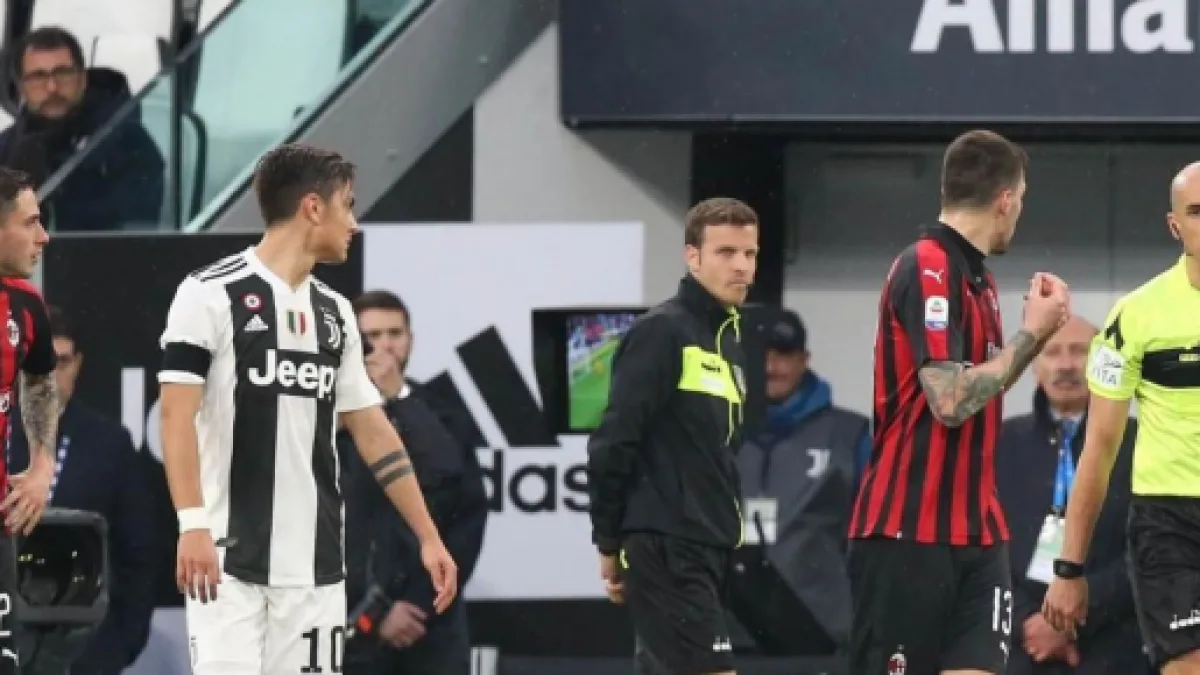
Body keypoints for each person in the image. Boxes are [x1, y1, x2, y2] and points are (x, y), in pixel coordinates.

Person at [157, 144, 457, 675]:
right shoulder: (207, 294)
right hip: (228, 562)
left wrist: (428, 536)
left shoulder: (335, 313)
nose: (354, 223)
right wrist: (192, 523)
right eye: (348, 205)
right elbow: (175, 415)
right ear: (313, 208)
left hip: (316, 569)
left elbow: (373, 431)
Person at [847, 129, 1071, 675]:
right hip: (908, 529)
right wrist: (1032, 337)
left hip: (977, 531)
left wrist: (1032, 338)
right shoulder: (927, 265)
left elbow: (980, 392)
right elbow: (949, 400)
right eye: (1022, 200)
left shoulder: (981, 282)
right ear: (1006, 200)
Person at [587, 196, 758, 675]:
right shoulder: (662, 332)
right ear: (692, 256)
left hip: (709, 544)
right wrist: (608, 542)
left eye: (750, 253)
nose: (742, 266)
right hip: (669, 544)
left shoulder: (730, 343)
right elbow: (613, 442)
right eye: (726, 252)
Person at [1042, 161, 1200, 675]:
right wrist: (1069, 569)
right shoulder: (1134, 317)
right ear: (1174, 225)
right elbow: (1100, 447)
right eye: (1197, 212)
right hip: (1169, 523)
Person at [341, 289, 487, 675]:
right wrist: (375, 609)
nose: (385, 346)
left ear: (411, 339)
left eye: (395, 333)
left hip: (432, 622)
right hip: (351, 625)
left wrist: (421, 603)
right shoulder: (331, 416)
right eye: (372, 336)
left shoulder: (443, 412)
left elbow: (466, 511)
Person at [8, 306, 155, 675]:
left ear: (78, 364)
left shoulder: (109, 444)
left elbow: (138, 552)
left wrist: (121, 645)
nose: (50, 376)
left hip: (87, 645)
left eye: (61, 362)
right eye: (39, 363)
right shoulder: (2, 435)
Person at [995, 316, 1143, 675]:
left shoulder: (1140, 442)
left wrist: (1074, 614)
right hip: (1018, 647)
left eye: (1079, 352)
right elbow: (982, 547)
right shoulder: (1000, 443)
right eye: (1052, 353)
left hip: (1113, 645)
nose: (1065, 365)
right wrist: (1028, 622)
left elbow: (1148, 549)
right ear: (1034, 367)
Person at [732, 307, 869, 654]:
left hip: (824, 634)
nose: (770, 367)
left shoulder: (850, 436)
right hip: (731, 633)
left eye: (782, 354)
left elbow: (878, 543)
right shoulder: (717, 436)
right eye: (760, 356)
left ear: (804, 359)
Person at [0, 26, 163, 230]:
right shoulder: (8, 148)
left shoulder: (128, 143)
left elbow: (135, 233)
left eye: (62, 73)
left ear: (82, 79)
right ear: (22, 88)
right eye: (38, 77)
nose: (52, 88)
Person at [0, 167, 59, 675]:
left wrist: (42, 465)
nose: (44, 237)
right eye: (30, 222)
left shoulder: (26, 304)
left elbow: (40, 381)